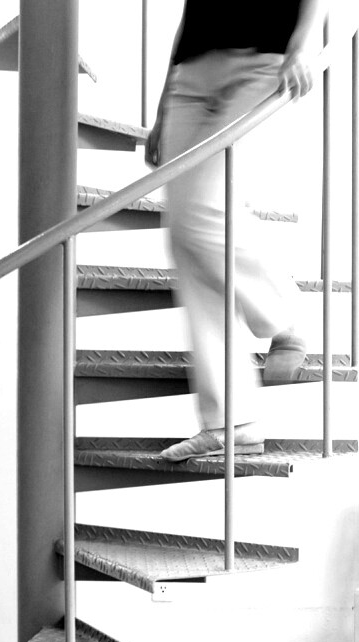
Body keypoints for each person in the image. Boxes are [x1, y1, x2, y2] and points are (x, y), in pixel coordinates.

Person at [145, 0, 324, 461]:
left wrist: (302, 46)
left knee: (201, 215)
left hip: (262, 64)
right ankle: (232, 421)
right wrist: (164, 101)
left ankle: (287, 314)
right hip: (191, 74)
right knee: (185, 237)